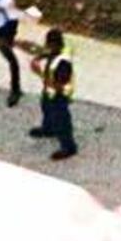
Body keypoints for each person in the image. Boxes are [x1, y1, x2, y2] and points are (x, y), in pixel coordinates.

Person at [27, 26, 77, 160]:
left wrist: (39, 73)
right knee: (46, 107)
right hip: (49, 91)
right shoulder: (60, 49)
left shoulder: (63, 64)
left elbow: (59, 86)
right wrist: (40, 56)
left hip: (59, 94)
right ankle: (48, 128)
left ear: (56, 45)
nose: (47, 47)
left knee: (61, 118)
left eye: (50, 45)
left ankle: (68, 147)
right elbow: (49, 53)